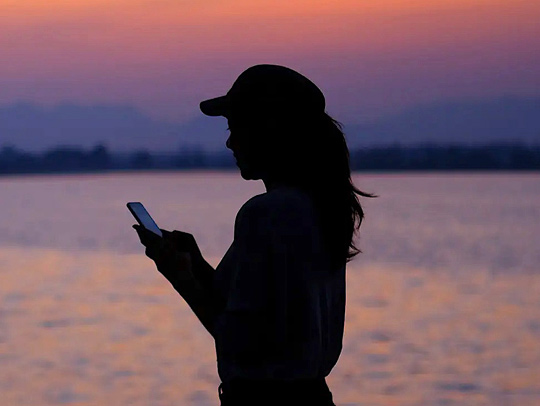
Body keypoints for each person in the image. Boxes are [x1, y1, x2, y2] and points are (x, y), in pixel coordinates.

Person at [134, 64, 373, 406]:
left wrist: (179, 276)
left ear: (269, 128)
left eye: (235, 127)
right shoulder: (319, 207)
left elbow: (239, 339)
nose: (230, 142)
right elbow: (261, 314)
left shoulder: (266, 213)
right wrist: (198, 265)